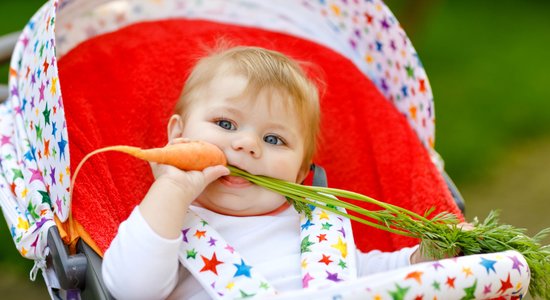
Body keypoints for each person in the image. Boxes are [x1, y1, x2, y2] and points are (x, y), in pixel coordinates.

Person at [102, 46, 433, 299]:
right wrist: (172, 187)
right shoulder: (167, 221)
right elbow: (132, 289)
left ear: (300, 172)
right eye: (225, 123)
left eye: (274, 139)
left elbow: (363, 275)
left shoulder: (316, 224)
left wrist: (423, 258)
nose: (247, 144)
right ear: (178, 135)